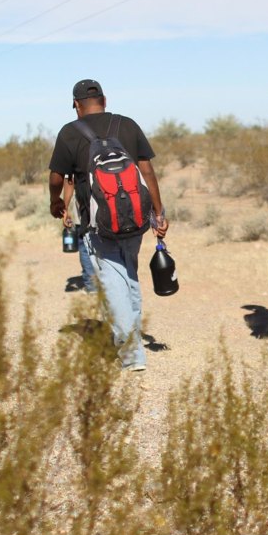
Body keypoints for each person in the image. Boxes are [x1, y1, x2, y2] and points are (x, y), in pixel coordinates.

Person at [49, 79, 168, 372]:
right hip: (136, 218)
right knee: (129, 274)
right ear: (104, 99)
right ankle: (134, 337)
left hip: (98, 224)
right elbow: (147, 170)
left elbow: (57, 177)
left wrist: (56, 202)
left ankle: (131, 354)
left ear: (76, 104)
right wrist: (158, 213)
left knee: (114, 281)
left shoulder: (69, 132)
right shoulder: (127, 125)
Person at [62, 174, 97, 293]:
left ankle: (92, 288)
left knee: (85, 248)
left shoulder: (75, 154)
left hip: (83, 212)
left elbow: (70, 181)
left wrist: (65, 209)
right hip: (109, 209)